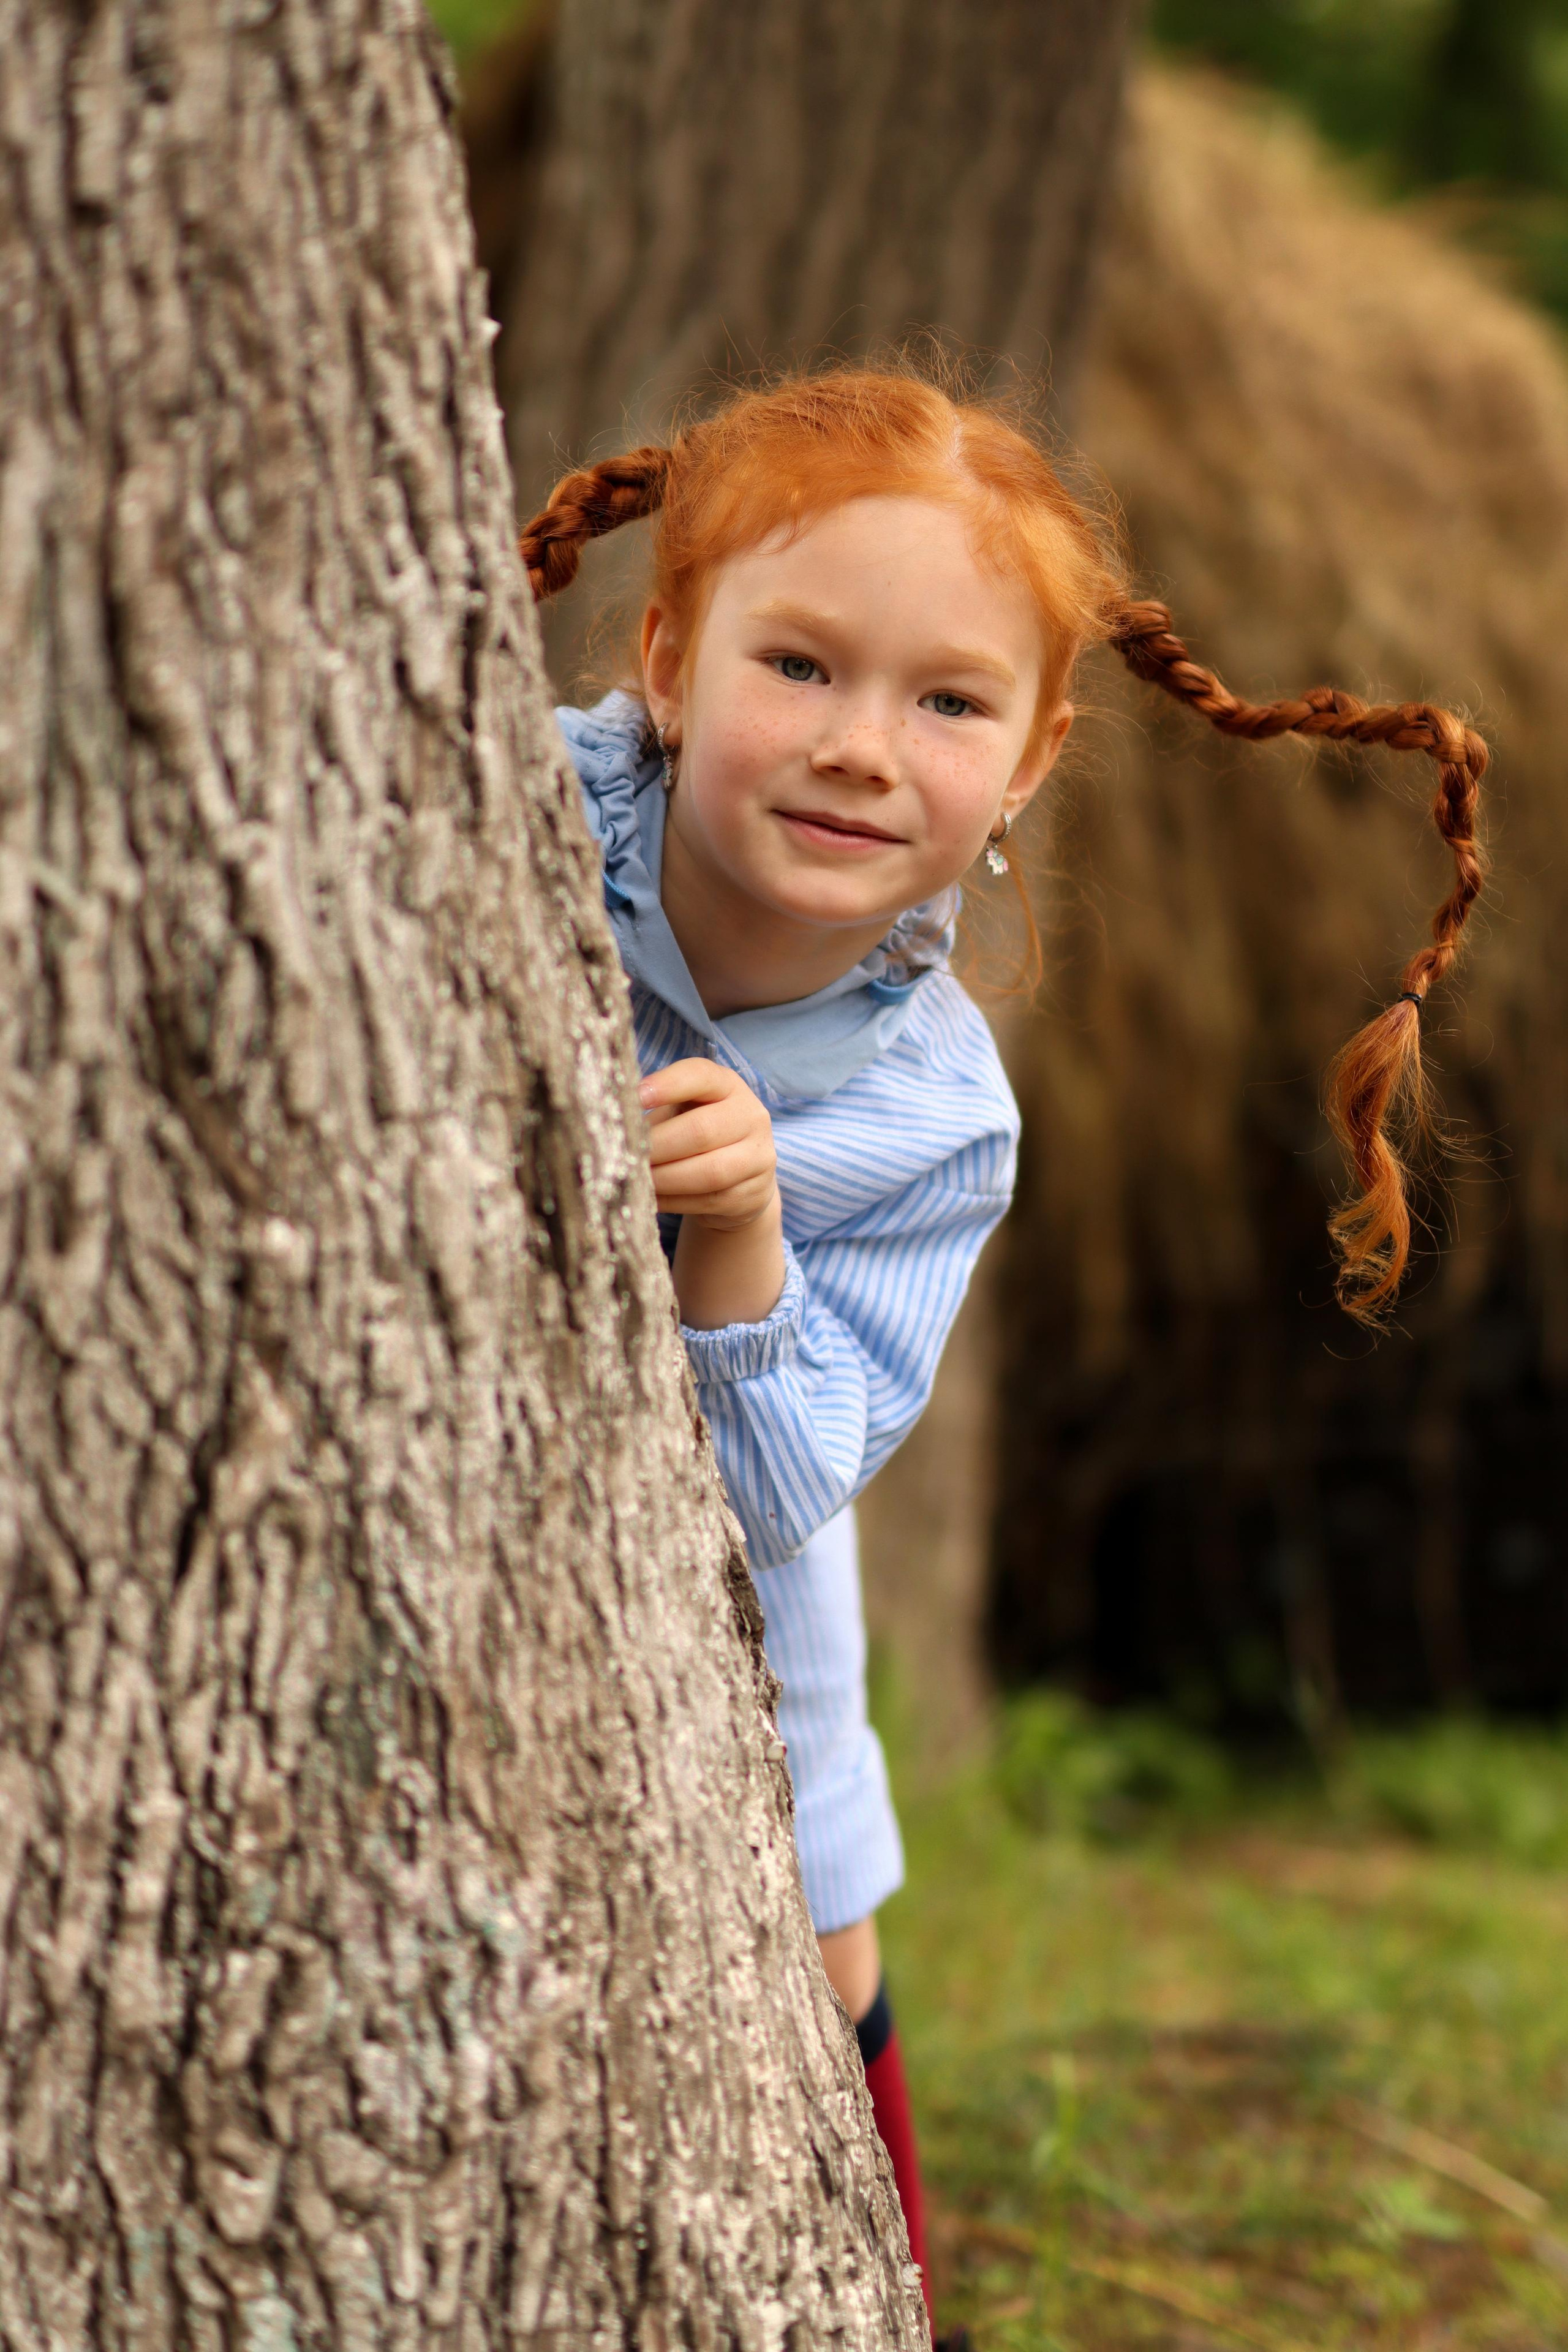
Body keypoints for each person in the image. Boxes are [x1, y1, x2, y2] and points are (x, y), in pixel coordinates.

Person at [519, 364, 1487, 2340]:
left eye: (948, 702)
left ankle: (884, 2289)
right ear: (673, 656)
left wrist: (744, 1241)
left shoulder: (933, 1111)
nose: (862, 747)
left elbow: (796, 1483)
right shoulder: (505, 819)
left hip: (731, 1627)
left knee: (816, 1925)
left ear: (1032, 760)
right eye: (800, 664)